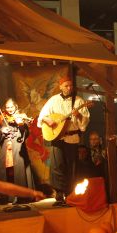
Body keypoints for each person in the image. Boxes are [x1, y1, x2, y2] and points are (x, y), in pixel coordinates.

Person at [37, 75, 90, 206]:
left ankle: (70, 194)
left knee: (71, 166)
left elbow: (84, 123)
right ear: (60, 87)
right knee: (57, 166)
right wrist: (48, 120)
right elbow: (42, 116)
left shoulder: (78, 101)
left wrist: (79, 115)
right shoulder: (53, 100)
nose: (69, 88)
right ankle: (59, 194)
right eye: (66, 85)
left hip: (72, 138)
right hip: (57, 137)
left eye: (71, 85)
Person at [0, 99, 34, 203]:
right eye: (7, 107)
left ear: (15, 107)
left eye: (11, 107)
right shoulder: (2, 118)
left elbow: (27, 133)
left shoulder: (21, 116)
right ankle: (5, 196)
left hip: (18, 145)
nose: (10, 109)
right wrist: (1, 130)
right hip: (6, 146)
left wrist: (21, 125)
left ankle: (21, 196)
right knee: (5, 170)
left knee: (19, 170)